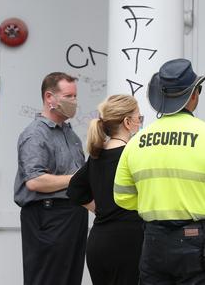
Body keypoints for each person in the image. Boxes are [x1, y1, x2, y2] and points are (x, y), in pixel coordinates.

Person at [113, 58, 205, 285]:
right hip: (199, 242)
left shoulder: (136, 142)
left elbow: (122, 196)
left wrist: (158, 204)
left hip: (154, 242)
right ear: (193, 95)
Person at [13, 72, 88, 285]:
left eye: (75, 96)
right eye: (69, 96)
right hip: (48, 218)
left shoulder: (70, 135)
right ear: (49, 98)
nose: (74, 102)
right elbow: (35, 181)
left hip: (73, 217)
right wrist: (77, 179)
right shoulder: (36, 134)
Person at [67, 94, 144, 285]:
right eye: (139, 118)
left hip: (99, 242)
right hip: (128, 242)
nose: (140, 122)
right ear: (127, 122)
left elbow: (75, 189)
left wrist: (101, 209)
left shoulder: (96, 156)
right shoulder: (133, 154)